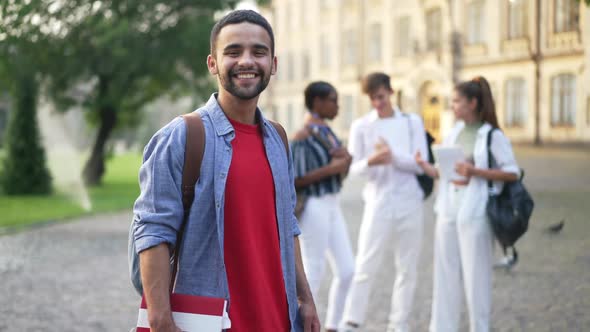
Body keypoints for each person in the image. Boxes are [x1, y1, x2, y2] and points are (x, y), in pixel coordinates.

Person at [132, 10, 320, 332]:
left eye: (258, 52)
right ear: (213, 63)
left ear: (273, 65)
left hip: (278, 319)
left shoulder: (278, 139)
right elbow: (153, 231)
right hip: (208, 323)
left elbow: (288, 226)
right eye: (233, 52)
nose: (246, 61)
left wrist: (305, 299)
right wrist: (160, 320)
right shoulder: (181, 137)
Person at [415, 76, 520, 332]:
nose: (452, 106)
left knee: (476, 278)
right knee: (444, 274)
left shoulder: (491, 135)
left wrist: (476, 171)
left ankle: (479, 328)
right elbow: (446, 172)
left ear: (473, 103)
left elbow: (513, 173)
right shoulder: (455, 132)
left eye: (457, 101)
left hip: (477, 212)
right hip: (448, 209)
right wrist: (424, 166)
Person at [341, 72, 428, 332]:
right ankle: (351, 320)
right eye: (372, 99)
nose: (377, 103)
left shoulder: (412, 122)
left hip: (409, 202)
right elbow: (354, 167)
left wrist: (393, 157)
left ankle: (398, 324)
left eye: (380, 97)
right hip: (377, 201)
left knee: (407, 267)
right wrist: (371, 161)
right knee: (365, 263)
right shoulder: (362, 126)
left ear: (390, 92)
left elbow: (421, 164)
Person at [290, 81, 355, 332]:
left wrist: (346, 162)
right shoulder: (302, 135)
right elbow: (296, 179)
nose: (337, 106)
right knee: (313, 268)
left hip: (332, 203)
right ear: (317, 102)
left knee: (348, 269)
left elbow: (337, 174)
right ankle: (302, 326)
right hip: (314, 205)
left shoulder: (327, 131)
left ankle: (333, 326)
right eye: (333, 100)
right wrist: (334, 167)